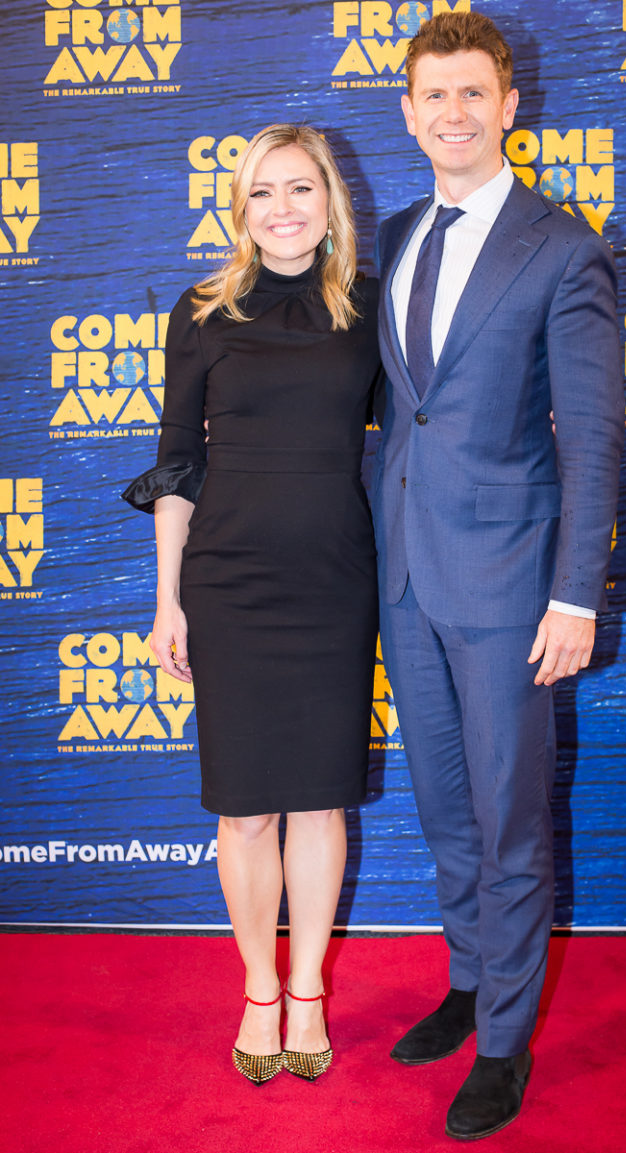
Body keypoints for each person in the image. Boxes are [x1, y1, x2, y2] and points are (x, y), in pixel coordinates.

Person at [373, 11, 623, 1140]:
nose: (454, 113)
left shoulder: (563, 248)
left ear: (510, 106)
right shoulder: (394, 234)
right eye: (434, 95)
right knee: (444, 806)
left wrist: (575, 594)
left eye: (473, 92)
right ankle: (472, 981)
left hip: (513, 586)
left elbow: (594, 436)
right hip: (407, 577)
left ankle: (507, 1042)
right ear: (409, 112)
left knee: (510, 817)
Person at [123, 124, 380, 1085]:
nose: (283, 208)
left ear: (329, 201)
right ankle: (259, 988)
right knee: (243, 810)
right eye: (262, 192)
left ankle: (308, 988)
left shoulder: (368, 307)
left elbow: (420, 428)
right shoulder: (201, 311)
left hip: (333, 580)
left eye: (300, 188)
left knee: (318, 800)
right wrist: (168, 599)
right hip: (227, 581)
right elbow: (176, 464)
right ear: (240, 209)